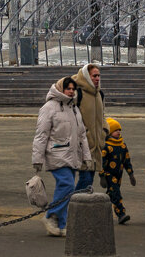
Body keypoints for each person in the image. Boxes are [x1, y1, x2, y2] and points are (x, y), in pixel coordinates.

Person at [32, 76, 94, 237]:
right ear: (61, 89)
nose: (71, 91)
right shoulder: (49, 108)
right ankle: (50, 216)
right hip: (56, 153)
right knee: (67, 185)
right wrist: (37, 159)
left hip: (72, 155)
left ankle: (61, 224)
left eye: (73, 89)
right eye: (68, 89)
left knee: (67, 189)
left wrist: (87, 157)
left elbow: (82, 135)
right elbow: (41, 135)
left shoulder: (74, 108)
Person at [72, 62, 108, 190]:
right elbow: (71, 116)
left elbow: (102, 114)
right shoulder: (78, 93)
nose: (97, 78)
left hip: (96, 145)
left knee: (89, 180)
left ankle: (76, 206)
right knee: (86, 179)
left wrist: (105, 130)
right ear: (87, 76)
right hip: (83, 144)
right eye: (94, 76)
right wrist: (84, 132)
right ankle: (73, 205)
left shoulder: (100, 94)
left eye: (98, 75)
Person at [99, 117, 136, 224]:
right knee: (116, 194)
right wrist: (102, 176)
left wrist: (131, 174)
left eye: (119, 130)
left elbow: (127, 161)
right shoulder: (106, 146)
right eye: (115, 130)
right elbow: (102, 162)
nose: (118, 132)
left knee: (111, 195)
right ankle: (121, 214)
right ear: (109, 132)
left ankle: (100, 211)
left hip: (119, 175)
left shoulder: (123, 146)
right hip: (109, 175)